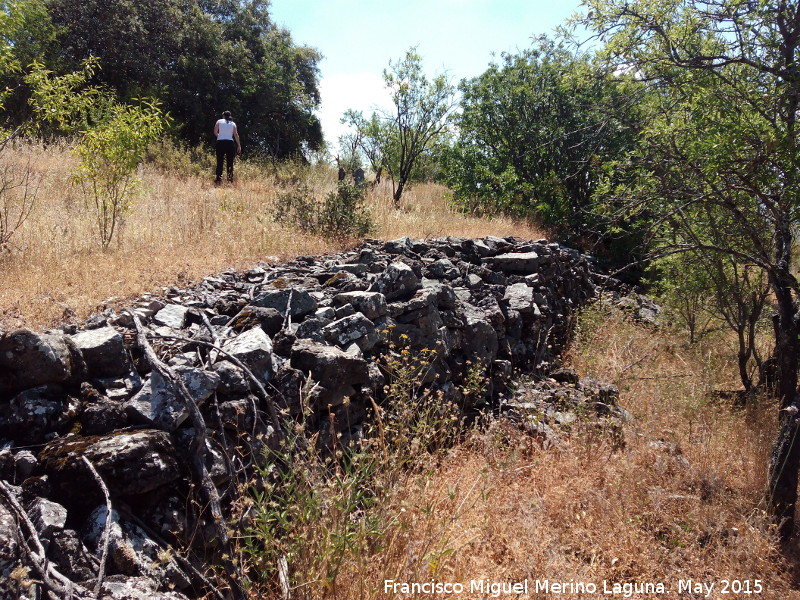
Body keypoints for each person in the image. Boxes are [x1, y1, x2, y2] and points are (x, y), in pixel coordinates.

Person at [213, 111, 241, 184]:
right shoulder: (233, 124)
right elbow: (236, 134)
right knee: (230, 162)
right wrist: (239, 145)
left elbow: (215, 131)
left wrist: (220, 136)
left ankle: (218, 180)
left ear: (223, 115)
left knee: (220, 161)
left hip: (220, 142)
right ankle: (229, 180)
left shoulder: (219, 121)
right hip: (230, 143)